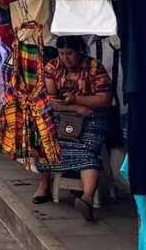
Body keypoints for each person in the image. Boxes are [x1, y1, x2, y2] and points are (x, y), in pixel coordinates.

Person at [32, 35, 114, 221]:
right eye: (61, 53)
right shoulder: (52, 67)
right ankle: (44, 186)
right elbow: (51, 100)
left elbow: (104, 99)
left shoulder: (94, 67)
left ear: (80, 51)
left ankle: (87, 197)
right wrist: (74, 106)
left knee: (87, 148)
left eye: (69, 53)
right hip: (64, 112)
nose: (65, 58)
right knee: (43, 138)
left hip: (92, 115)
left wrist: (79, 100)